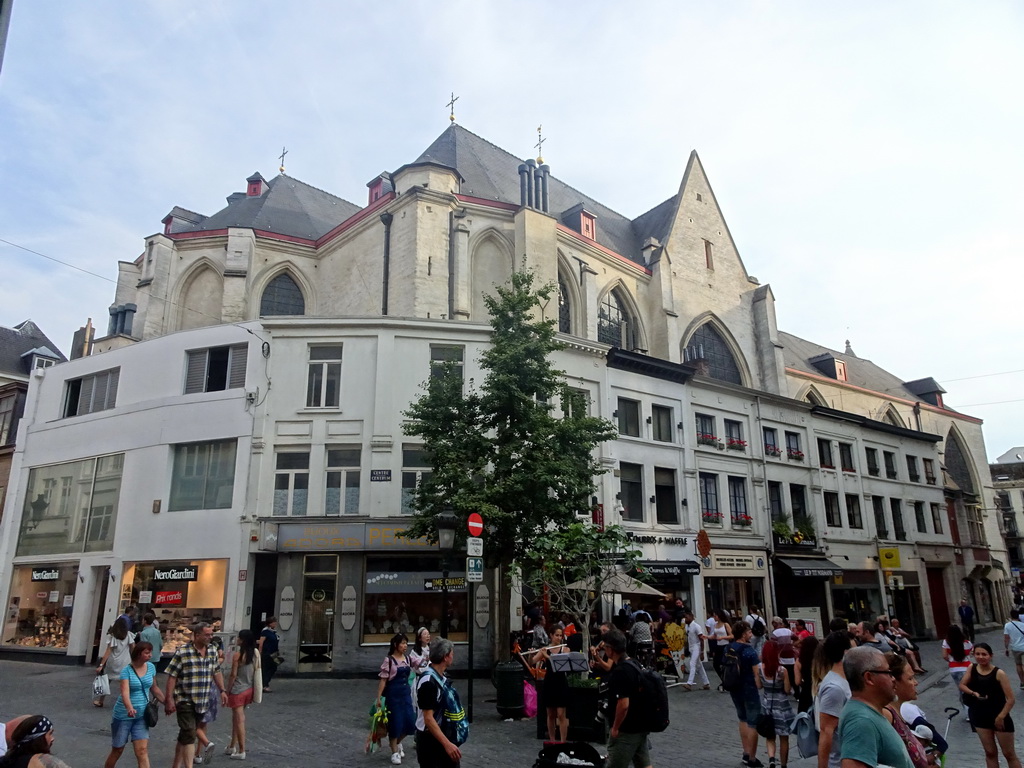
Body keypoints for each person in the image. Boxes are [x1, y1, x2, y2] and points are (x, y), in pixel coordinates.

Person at [835, 645, 913, 768]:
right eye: (888, 672)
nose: (893, 679)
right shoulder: (861, 721)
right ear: (869, 678)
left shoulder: (869, 713)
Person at [163, 622, 228, 768]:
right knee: (190, 734)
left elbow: (216, 672)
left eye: (211, 634)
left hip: (202, 700)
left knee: (185, 734)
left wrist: (222, 690)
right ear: (197, 635)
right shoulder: (183, 652)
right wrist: (169, 699)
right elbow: (172, 676)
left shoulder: (212, 650)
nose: (210, 637)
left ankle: (175, 765)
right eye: (207, 634)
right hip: (185, 699)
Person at [959, 643, 1022, 768]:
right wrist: (973, 693)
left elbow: (1010, 699)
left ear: (990, 656)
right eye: (978, 654)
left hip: (999, 716)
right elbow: (962, 684)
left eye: (984, 654)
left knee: (1009, 754)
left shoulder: (999, 673)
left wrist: (1001, 717)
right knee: (990, 752)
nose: (981, 657)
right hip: (980, 715)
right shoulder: (972, 668)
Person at [104, 641, 163, 768]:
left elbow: (154, 688)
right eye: (147, 653)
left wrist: (168, 703)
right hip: (124, 715)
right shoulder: (127, 671)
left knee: (142, 751)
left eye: (150, 652)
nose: (150, 655)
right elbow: (125, 693)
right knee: (118, 749)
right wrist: (129, 708)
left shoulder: (151, 667)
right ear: (138, 654)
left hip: (142, 715)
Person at [600, 628, 653, 768]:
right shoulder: (634, 663)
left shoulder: (621, 671)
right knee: (644, 765)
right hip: (641, 724)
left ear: (611, 649)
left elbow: (623, 704)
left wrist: (615, 727)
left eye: (605, 647)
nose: (604, 651)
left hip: (627, 729)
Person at [415, 637, 462, 768]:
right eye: (452, 653)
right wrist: (447, 744)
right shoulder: (429, 682)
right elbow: (428, 719)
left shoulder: (441, 677)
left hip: (442, 735)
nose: (453, 656)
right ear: (445, 657)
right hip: (431, 741)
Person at [881, 653, 931, 768]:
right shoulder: (887, 715)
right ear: (894, 682)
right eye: (910, 678)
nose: (915, 682)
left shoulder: (897, 713)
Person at [726, 621, 763, 767]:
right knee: (753, 722)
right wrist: (759, 685)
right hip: (749, 688)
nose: (751, 635)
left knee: (742, 718)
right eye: (748, 632)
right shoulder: (749, 651)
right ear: (743, 634)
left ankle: (746, 752)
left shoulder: (729, 648)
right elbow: (756, 673)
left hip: (735, 687)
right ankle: (752, 758)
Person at [376, 633, 417, 765]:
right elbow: (383, 680)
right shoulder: (389, 660)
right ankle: (394, 752)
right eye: (403, 643)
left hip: (405, 695)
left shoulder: (408, 659)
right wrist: (378, 698)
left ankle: (398, 742)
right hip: (393, 696)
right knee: (395, 723)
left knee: (410, 723)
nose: (405, 646)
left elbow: (421, 662)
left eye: (406, 643)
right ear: (396, 645)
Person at [816, 630, 853, 768]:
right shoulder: (834, 687)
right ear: (846, 652)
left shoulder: (845, 679)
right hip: (839, 762)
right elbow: (826, 732)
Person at [756, 638, 795, 768]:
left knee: (770, 734)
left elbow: (759, 685)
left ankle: (771, 759)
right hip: (781, 704)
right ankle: (783, 764)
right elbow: (787, 689)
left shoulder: (759, 668)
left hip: (767, 703)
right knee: (784, 737)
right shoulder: (782, 670)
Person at [224, 629, 259, 760]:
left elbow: (233, 675)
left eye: (239, 638)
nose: (237, 639)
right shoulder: (254, 654)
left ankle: (241, 750)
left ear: (242, 640)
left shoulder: (237, 656)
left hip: (238, 689)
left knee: (239, 720)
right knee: (236, 718)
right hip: (249, 688)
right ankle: (232, 745)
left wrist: (227, 690)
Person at [533, 626, 571, 742]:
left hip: (561, 682)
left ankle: (563, 741)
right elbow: (532, 661)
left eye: (560, 635)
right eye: (557, 635)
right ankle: (552, 740)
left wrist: (547, 657)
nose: (559, 638)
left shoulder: (565, 649)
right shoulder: (545, 649)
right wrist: (531, 654)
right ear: (551, 635)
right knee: (550, 714)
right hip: (549, 682)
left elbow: (558, 662)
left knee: (561, 714)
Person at [0, 716, 71, 768]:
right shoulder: (43, 760)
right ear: (39, 739)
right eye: (50, 734)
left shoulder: (6, 760)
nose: (52, 738)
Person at [95, 618, 136, 708]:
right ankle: (127, 701)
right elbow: (133, 647)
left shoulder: (113, 636)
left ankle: (101, 701)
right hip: (125, 662)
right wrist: (135, 659)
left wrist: (101, 665)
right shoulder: (128, 635)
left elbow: (108, 651)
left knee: (106, 681)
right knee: (125, 683)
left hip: (113, 662)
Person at [942, 623, 973, 707]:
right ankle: (969, 710)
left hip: (954, 669)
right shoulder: (967, 643)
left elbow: (944, 656)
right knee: (968, 689)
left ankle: (966, 709)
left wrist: (951, 659)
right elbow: (972, 652)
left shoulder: (946, 642)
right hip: (966, 668)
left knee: (961, 689)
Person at [682, 611, 710, 690]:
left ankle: (689, 683)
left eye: (687, 617)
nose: (685, 619)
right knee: (699, 666)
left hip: (696, 646)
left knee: (692, 663)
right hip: (691, 647)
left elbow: (701, 640)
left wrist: (702, 652)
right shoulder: (687, 626)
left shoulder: (696, 626)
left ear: (691, 617)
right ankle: (706, 683)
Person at [771, 617, 798, 695]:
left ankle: (785, 690)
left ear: (774, 624)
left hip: (781, 657)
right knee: (792, 675)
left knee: (783, 675)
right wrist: (792, 645)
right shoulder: (788, 631)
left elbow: (772, 645)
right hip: (790, 657)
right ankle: (797, 693)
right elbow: (797, 639)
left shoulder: (774, 633)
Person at [794, 635, 818, 713]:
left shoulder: (799, 661)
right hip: (818, 689)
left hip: (806, 691)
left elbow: (797, 681)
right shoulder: (820, 660)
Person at [712, 610, 735, 689]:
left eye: (715, 616)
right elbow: (715, 636)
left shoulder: (725, 624)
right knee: (716, 664)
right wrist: (707, 637)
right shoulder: (715, 625)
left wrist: (723, 637)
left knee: (725, 664)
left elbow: (732, 636)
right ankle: (724, 680)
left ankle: (727, 681)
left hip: (725, 645)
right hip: (718, 646)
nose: (714, 617)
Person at [256, 617, 279, 692]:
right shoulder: (265, 631)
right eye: (274, 622)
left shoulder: (273, 632)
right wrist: (260, 652)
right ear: (270, 623)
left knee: (273, 667)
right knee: (267, 668)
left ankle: (265, 683)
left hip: (274, 653)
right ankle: (264, 685)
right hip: (267, 653)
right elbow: (261, 642)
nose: (275, 624)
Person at [1003, 609, 1024, 688]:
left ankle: (1022, 682)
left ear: (1011, 616)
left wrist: (1006, 648)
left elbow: (1006, 638)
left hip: (1015, 648)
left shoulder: (1007, 625)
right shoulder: (1022, 625)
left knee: (1018, 665)